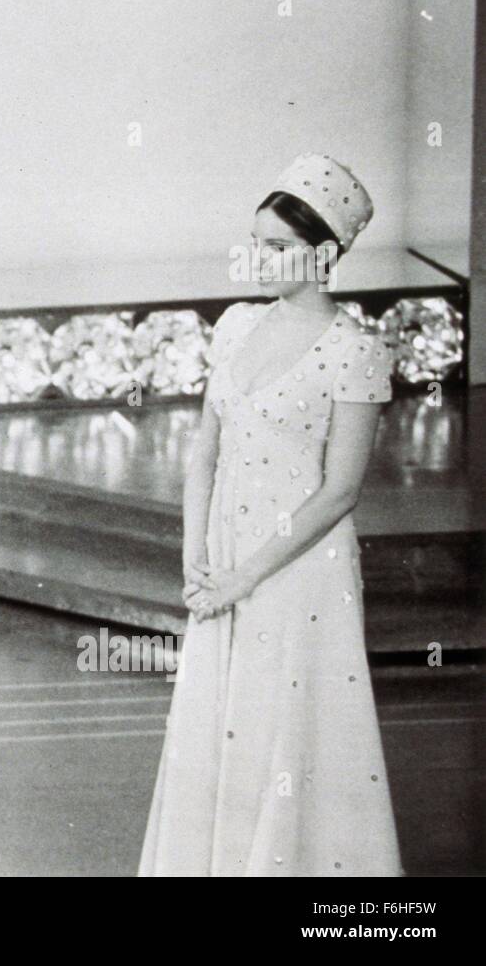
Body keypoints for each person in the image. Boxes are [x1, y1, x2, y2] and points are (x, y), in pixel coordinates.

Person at [138, 153, 401, 876]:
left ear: (325, 254)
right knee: (221, 727)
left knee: (286, 731)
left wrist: (243, 578)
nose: (261, 259)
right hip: (224, 558)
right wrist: (197, 557)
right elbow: (204, 451)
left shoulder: (356, 351)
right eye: (258, 242)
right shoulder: (234, 327)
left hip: (299, 571)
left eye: (279, 247)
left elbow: (340, 491)